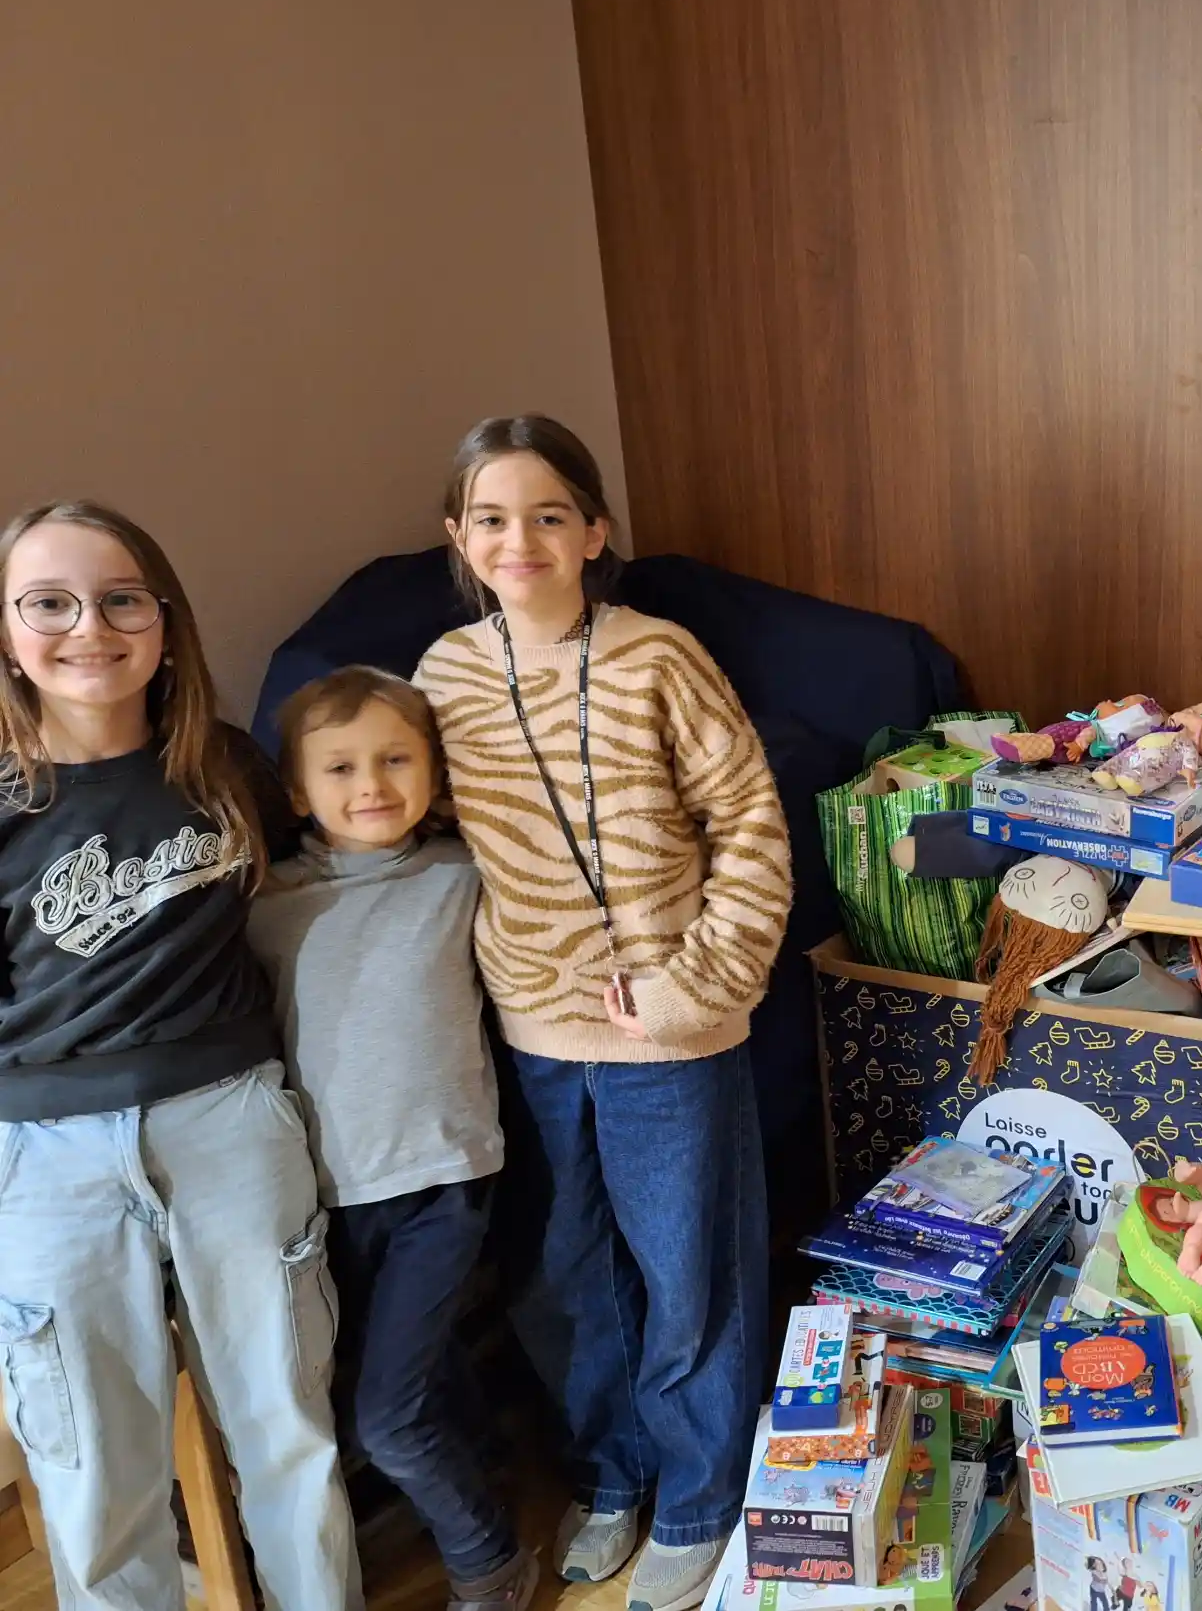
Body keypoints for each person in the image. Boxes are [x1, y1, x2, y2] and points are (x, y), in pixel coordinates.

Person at [415, 415, 793, 1611]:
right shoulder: (443, 677)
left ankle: (699, 1498)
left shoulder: (659, 657)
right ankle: (610, 1476)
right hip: (532, 1036)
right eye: (490, 518)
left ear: (593, 531)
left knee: (690, 1280)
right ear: (458, 537)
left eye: (546, 515)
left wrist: (694, 985)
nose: (517, 539)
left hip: (671, 1036)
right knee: (561, 1281)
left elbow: (750, 827)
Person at [0, 501, 358, 1611]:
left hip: (230, 1121)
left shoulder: (223, 766)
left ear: (165, 620)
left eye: (121, 600)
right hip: (44, 1155)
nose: (88, 628)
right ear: (7, 628)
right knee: (96, 1478)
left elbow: (325, 873)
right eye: (48, 604)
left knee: (288, 1436)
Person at [247, 667, 534, 1611]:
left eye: (396, 760)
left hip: (442, 1183)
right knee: (402, 1378)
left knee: (390, 1417)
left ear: (435, 773)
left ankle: (489, 1561)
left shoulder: (461, 876)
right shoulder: (266, 907)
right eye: (340, 768)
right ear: (298, 790)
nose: (370, 785)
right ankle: (486, 1470)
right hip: (325, 1199)